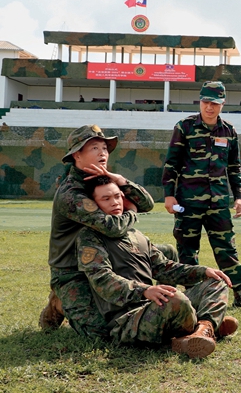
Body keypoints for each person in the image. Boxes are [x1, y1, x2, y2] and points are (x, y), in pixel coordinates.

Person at [77, 176, 238, 359]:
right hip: (128, 320)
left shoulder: (135, 234)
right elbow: (102, 280)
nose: (114, 202)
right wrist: (144, 290)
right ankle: (205, 324)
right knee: (176, 299)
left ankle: (202, 330)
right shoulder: (90, 237)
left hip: (154, 305)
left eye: (117, 196)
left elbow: (164, 268)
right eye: (106, 199)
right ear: (94, 205)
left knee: (216, 281)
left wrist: (203, 271)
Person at [39, 125, 157, 337]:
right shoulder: (71, 193)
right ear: (77, 155)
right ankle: (59, 303)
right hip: (73, 271)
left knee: (165, 253)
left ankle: (163, 306)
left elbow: (147, 204)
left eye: (104, 148)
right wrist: (131, 211)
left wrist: (120, 180)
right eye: (94, 148)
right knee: (101, 331)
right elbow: (111, 227)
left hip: (105, 259)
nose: (103, 153)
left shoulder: (104, 181)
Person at [162, 81, 241, 308]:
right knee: (187, 250)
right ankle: (192, 297)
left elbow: (233, 167)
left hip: (218, 202)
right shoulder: (184, 127)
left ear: (222, 104)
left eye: (215, 103)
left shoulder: (229, 131)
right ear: (200, 101)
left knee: (227, 249)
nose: (209, 107)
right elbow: (171, 163)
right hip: (188, 202)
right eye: (206, 102)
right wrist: (169, 195)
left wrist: (238, 197)